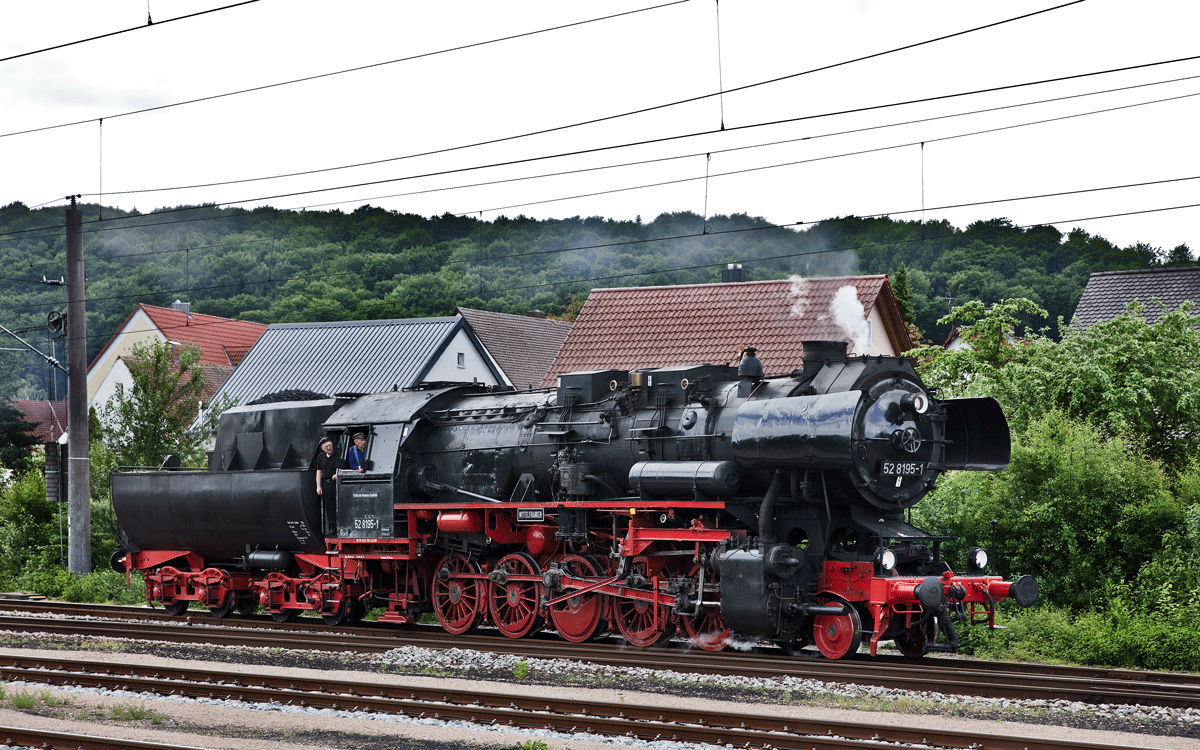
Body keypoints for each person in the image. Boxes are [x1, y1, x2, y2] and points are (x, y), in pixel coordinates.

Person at [313, 436, 341, 536]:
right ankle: (333, 528)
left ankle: (340, 527)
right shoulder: (321, 457)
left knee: (338, 505)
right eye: (326, 446)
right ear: (322, 448)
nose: (329, 448)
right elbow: (319, 471)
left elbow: (340, 468)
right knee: (329, 506)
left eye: (330, 445)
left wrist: (337, 474)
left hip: (336, 483)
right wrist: (318, 486)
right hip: (326, 484)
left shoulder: (338, 454)